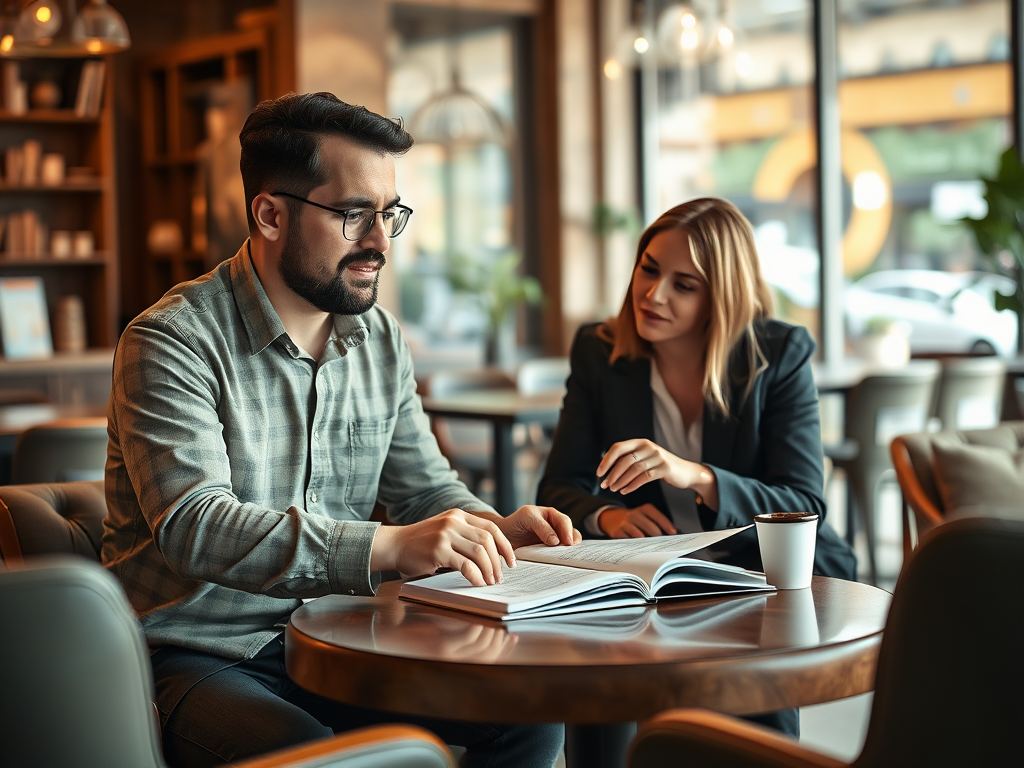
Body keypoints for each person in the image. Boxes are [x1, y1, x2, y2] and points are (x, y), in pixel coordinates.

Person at [103, 92, 577, 768]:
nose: (381, 242)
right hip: (195, 652)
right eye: (355, 215)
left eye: (390, 214)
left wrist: (492, 530)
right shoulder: (170, 340)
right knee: (313, 755)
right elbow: (194, 526)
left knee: (526, 715)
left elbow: (423, 491)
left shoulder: (377, 336)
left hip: (335, 638)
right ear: (269, 214)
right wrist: (386, 547)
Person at [537, 197, 857, 736]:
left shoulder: (778, 355)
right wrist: (606, 519)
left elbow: (805, 505)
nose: (654, 295)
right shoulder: (599, 351)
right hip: (650, 583)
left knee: (748, 725)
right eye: (650, 269)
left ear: (720, 298)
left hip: (760, 577)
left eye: (685, 285)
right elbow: (559, 485)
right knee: (593, 688)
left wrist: (694, 475)